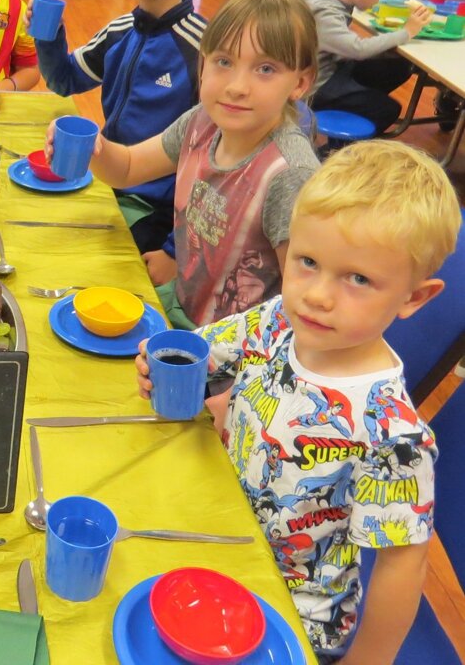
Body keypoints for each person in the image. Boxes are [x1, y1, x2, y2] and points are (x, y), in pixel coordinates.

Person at [136, 140, 460, 663]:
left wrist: (367, 661)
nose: (318, 294)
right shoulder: (279, 319)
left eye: (357, 279)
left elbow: (404, 563)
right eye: (308, 261)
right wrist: (159, 363)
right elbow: (202, 354)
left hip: (287, 609)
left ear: (413, 298)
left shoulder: (391, 433)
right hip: (214, 520)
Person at [63, 0, 321, 329]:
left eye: (265, 69)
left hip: (235, 354)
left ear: (300, 83)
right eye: (224, 62)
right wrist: (95, 147)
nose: (236, 86)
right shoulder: (202, 121)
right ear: (204, 64)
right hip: (185, 309)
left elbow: (303, 301)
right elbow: (125, 168)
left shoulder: (289, 174)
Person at [33, 0, 207, 264]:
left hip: (162, 213)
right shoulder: (119, 32)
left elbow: (215, 162)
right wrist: (48, 37)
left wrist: (174, 253)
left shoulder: (207, 50)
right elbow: (63, 80)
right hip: (109, 182)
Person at [305, 0, 433, 135]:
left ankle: (358, 103)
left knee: (398, 65)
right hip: (317, 87)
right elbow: (357, 49)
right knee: (388, 109)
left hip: (331, 71)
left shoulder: (331, 1)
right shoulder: (325, 13)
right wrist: (407, 31)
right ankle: (336, 153)